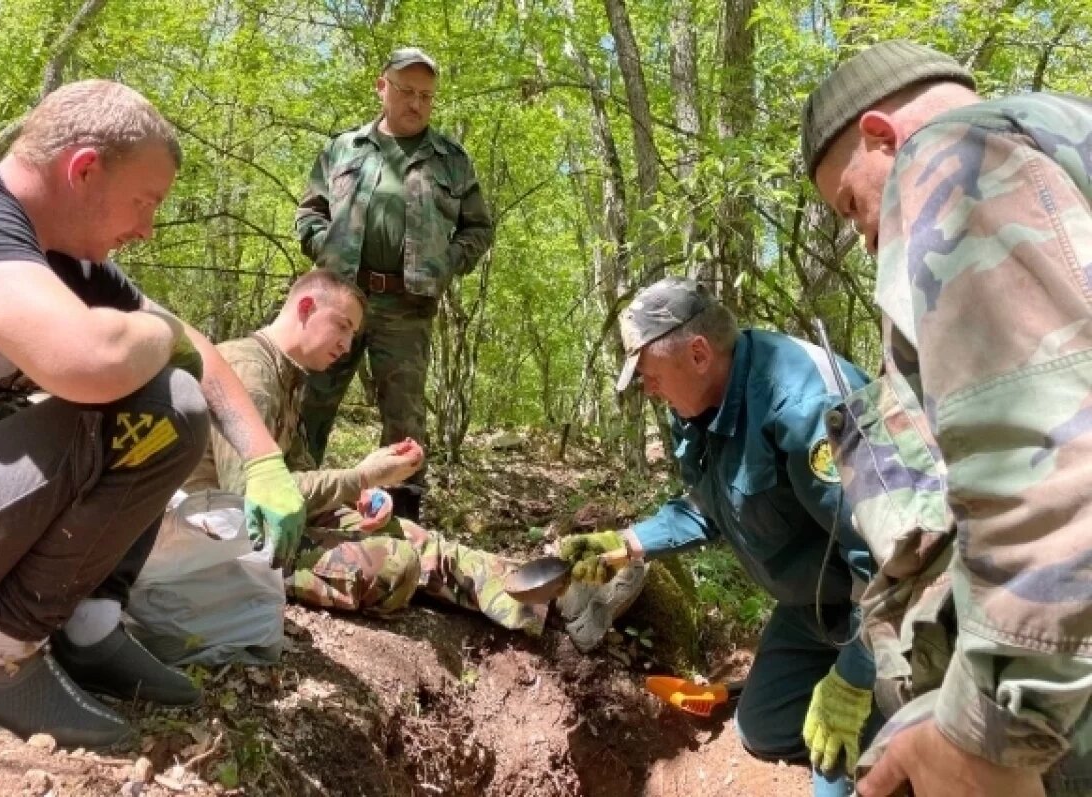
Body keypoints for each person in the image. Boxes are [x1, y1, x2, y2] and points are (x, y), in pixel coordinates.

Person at [0, 80, 306, 749]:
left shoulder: (72, 263)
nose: (146, 228)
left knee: (164, 385)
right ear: (83, 170)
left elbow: (196, 346)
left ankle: (88, 625)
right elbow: (89, 357)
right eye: (145, 201)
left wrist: (262, 459)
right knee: (162, 399)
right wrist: (155, 338)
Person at [801, 40, 1092, 797]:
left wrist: (985, 738)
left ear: (881, 134)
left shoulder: (949, 156)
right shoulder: (1061, 136)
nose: (862, 235)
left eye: (850, 203)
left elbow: (1057, 463)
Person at [152, 268, 644, 649]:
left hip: (270, 523)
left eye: (352, 334)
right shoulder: (248, 371)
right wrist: (360, 475)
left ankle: (564, 605)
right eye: (341, 327)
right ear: (304, 306)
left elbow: (290, 477)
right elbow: (251, 499)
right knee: (392, 565)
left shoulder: (286, 377)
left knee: (416, 537)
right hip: (227, 541)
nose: (347, 347)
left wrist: (363, 493)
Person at [558, 277, 880, 796]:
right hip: (818, 605)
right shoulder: (700, 411)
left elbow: (892, 556)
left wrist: (856, 675)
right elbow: (711, 507)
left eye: (648, 374)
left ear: (699, 353)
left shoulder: (802, 403)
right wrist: (624, 542)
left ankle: (929, 722)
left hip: (893, 607)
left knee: (834, 762)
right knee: (764, 727)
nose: (648, 388)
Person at [295, 46, 495, 522]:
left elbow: (479, 228)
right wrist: (326, 250)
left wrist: (445, 264)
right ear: (381, 87)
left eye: (426, 95)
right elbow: (309, 211)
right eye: (406, 91)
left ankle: (402, 519)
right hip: (342, 298)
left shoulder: (451, 160)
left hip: (407, 306)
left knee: (404, 417)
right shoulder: (343, 149)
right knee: (312, 399)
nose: (416, 103)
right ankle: (297, 499)